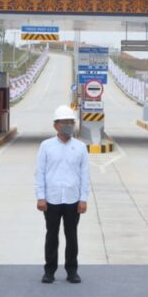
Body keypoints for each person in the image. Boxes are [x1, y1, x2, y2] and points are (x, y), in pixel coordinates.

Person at [35, 105, 90, 284]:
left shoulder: (81, 147)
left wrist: (83, 199)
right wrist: (40, 197)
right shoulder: (46, 146)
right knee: (51, 235)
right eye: (64, 122)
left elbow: (85, 175)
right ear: (55, 125)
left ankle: (72, 270)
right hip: (51, 199)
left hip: (73, 199)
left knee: (71, 235)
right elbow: (40, 173)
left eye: (71, 122)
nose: (68, 125)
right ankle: (49, 270)